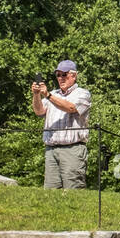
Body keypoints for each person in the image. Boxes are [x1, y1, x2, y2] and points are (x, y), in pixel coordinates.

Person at [31, 60, 91, 189]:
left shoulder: (82, 93)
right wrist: (36, 95)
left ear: (74, 76)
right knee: (51, 193)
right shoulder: (54, 94)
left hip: (72, 149)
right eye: (58, 75)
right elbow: (39, 111)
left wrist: (47, 95)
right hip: (51, 150)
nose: (60, 78)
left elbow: (71, 108)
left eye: (64, 74)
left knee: (73, 190)